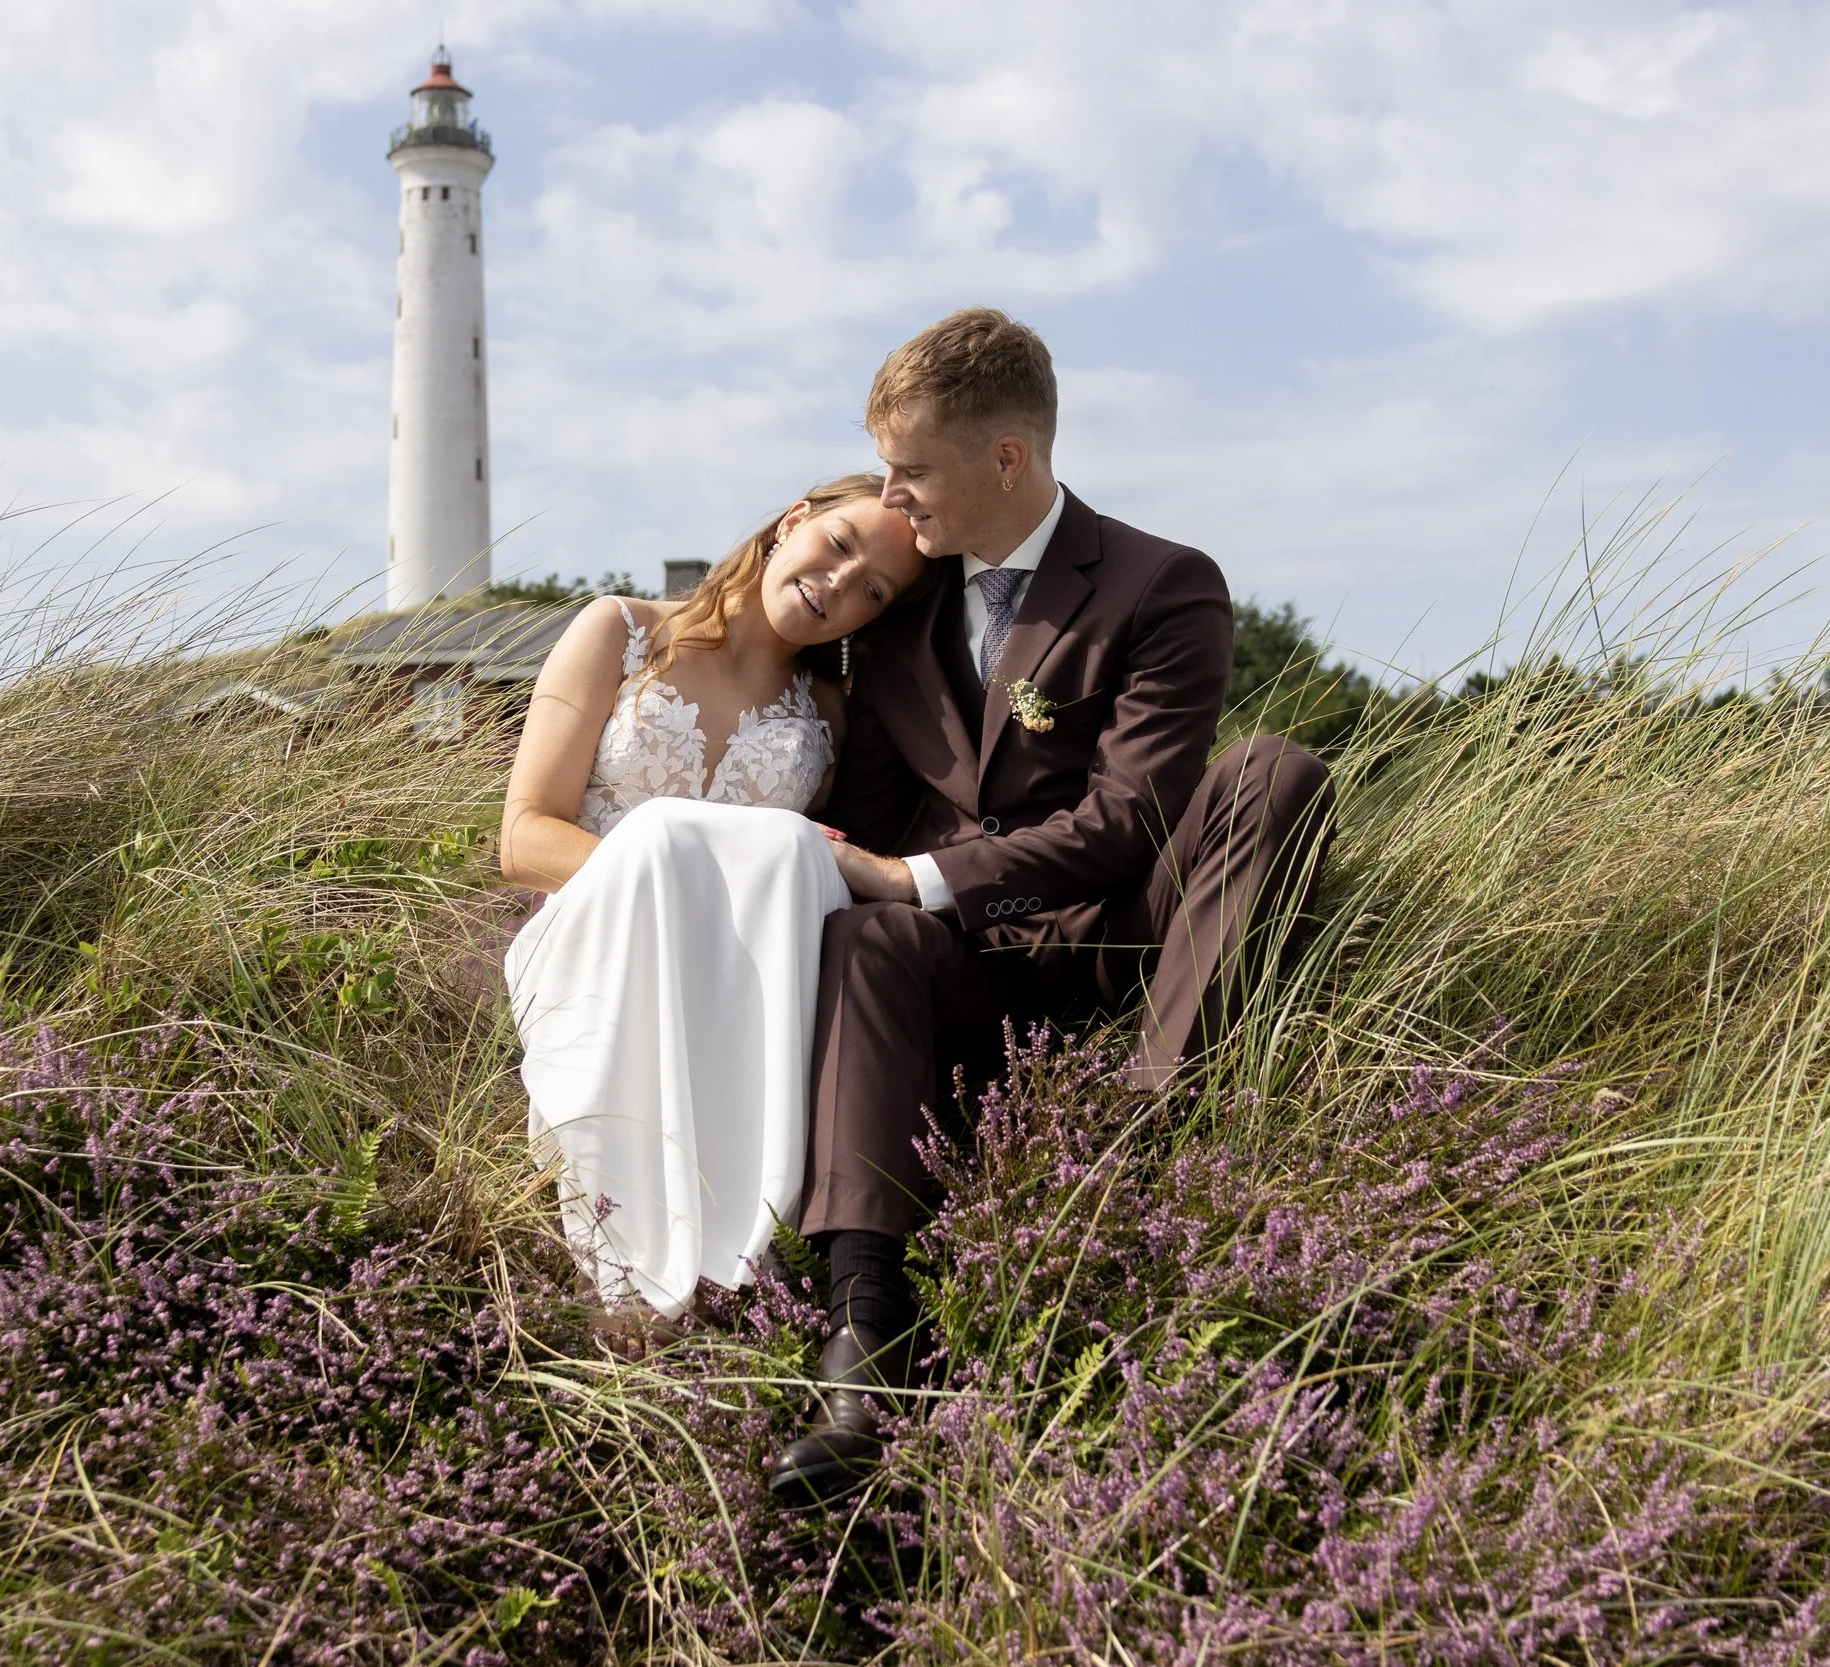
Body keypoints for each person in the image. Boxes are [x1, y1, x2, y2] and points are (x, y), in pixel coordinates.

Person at [768, 309, 1337, 1504]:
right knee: (869, 931)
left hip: (1124, 938)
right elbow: (867, 810)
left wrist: (919, 875)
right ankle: (861, 1363)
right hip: (959, 970)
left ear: (1006, 459)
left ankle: (1144, 1133)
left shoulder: (1158, 584)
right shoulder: (898, 602)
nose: (889, 494)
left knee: (1275, 767)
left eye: (909, 468)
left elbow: (1134, 813)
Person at [500, 475, 926, 1316]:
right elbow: (522, 838)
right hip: (599, 944)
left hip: (737, 986)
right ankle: (627, 1272)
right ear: (792, 521)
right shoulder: (619, 631)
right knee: (661, 835)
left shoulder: (828, 718)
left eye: (873, 589)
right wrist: (667, 883)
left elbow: (793, 882)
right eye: (839, 545)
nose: (840, 584)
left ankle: (731, 1266)